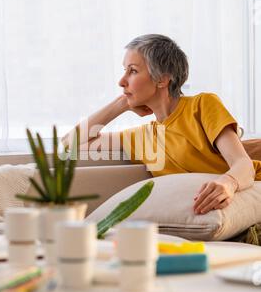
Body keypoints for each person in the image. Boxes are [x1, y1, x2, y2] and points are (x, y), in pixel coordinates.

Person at [62, 34, 261, 215]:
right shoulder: (144, 138)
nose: (121, 81)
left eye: (132, 71)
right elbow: (68, 145)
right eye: (125, 71)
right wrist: (121, 104)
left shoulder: (201, 106)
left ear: (162, 79)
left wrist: (228, 182)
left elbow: (243, 164)